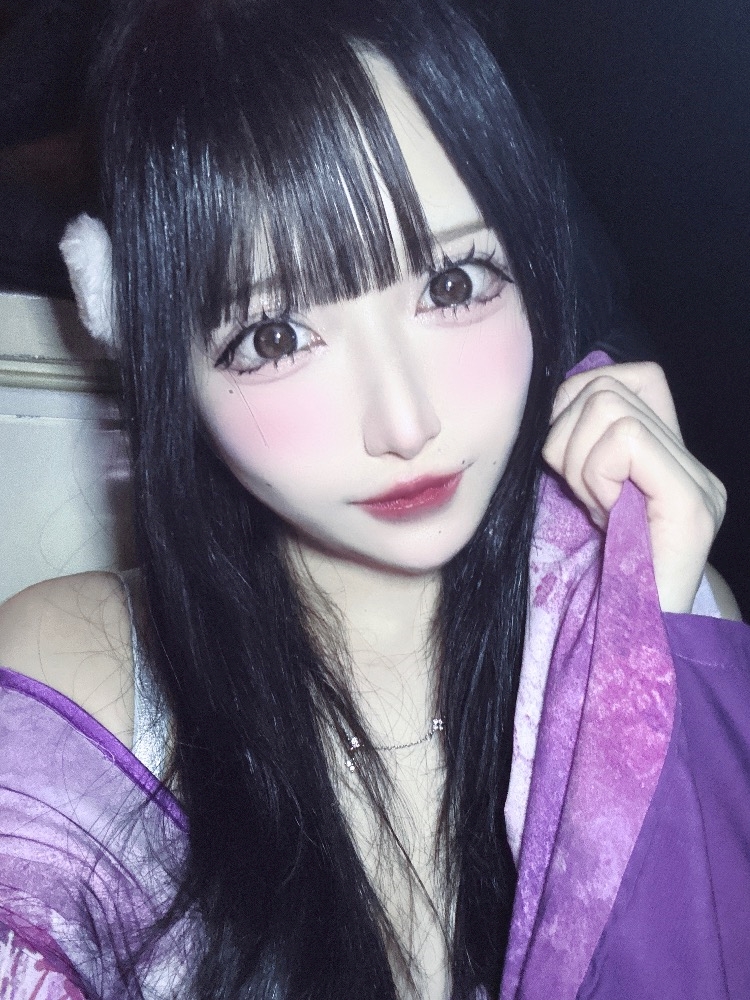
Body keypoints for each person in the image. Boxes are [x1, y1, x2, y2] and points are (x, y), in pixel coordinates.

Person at [0, 0, 747, 998]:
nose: (403, 421)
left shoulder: (672, 598)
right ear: (163, 361)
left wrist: (649, 672)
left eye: (454, 283)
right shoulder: (75, 697)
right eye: (274, 337)